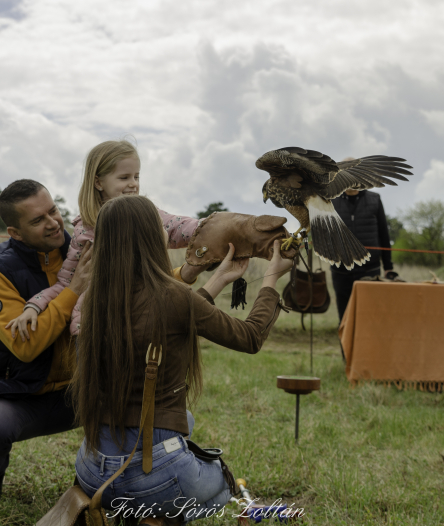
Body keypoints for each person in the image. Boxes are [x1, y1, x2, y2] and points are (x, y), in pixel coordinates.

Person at [72, 195, 293, 526]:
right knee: (222, 485)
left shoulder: (91, 299)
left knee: (185, 419)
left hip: (91, 472)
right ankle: (155, 517)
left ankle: (136, 512)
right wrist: (272, 278)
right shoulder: (173, 297)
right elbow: (249, 337)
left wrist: (219, 278)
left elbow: (162, 321)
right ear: (150, 237)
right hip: (154, 478)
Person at [0, 179, 92, 497]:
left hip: (80, 392)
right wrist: (75, 289)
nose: (53, 224)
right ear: (15, 233)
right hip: (16, 394)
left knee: (154, 408)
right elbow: (26, 346)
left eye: (54, 211)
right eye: (38, 220)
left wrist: (190, 269)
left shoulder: (84, 249)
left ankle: (104, 482)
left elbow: (139, 283)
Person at [7, 140, 205, 340]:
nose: (133, 183)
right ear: (98, 182)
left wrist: (209, 226)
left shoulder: (147, 215)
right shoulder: (84, 233)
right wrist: (34, 306)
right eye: (124, 177)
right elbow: (66, 284)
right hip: (90, 331)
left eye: (136, 176)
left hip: (138, 324)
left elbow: (178, 226)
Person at [330, 168, 398, 323]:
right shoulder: (331, 201)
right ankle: (346, 348)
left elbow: (383, 234)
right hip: (341, 272)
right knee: (345, 318)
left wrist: (388, 266)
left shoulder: (375, 199)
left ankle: (368, 348)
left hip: (370, 270)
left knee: (369, 317)